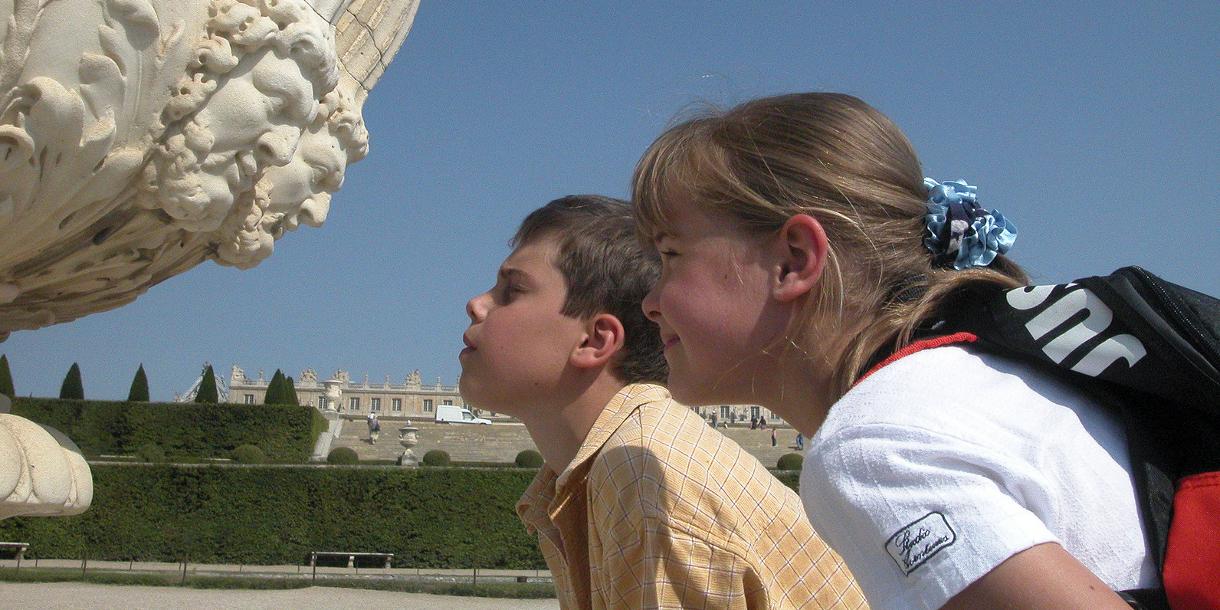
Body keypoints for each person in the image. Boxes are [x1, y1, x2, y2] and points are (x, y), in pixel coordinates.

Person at [632, 92, 1151, 609]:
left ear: (793, 260)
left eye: (670, 255)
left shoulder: (874, 444)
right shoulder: (986, 379)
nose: (650, 302)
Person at [459, 195, 864, 609]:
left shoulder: (641, 470)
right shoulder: (625, 457)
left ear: (596, 340)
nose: (477, 304)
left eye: (512, 291)